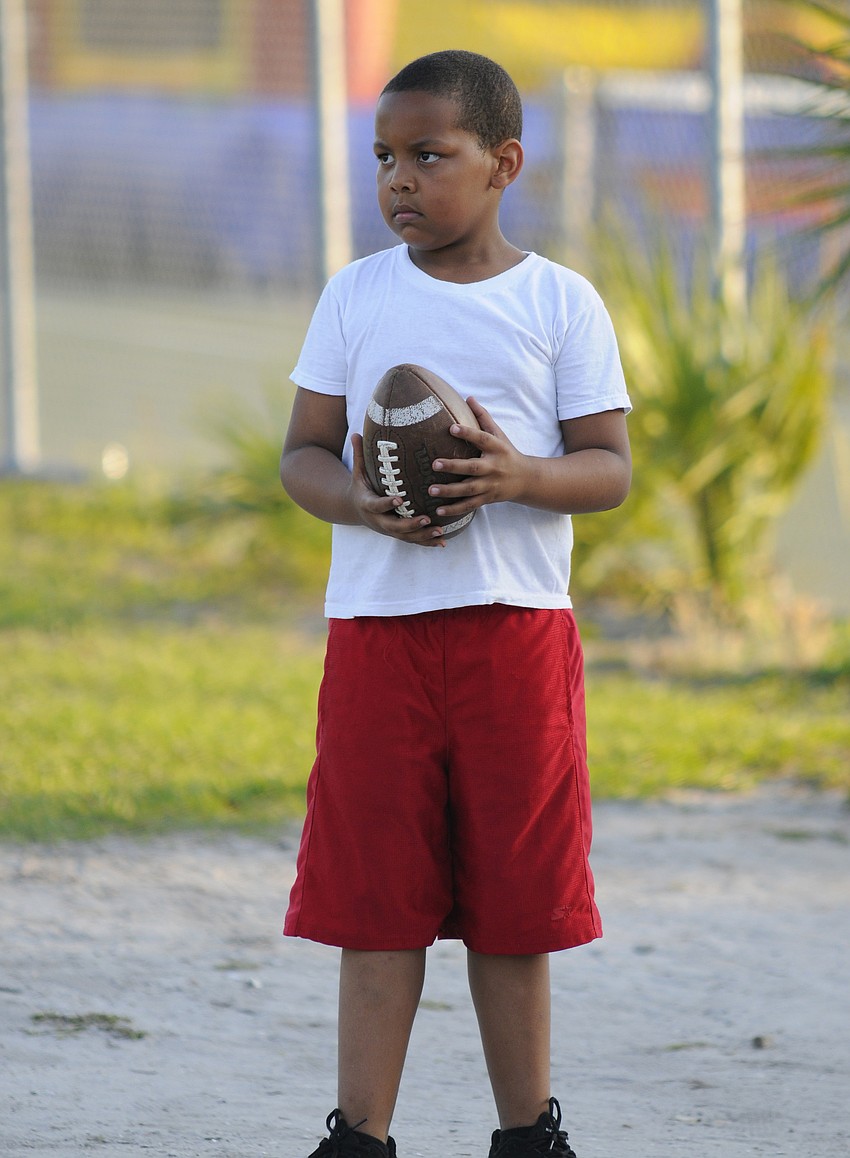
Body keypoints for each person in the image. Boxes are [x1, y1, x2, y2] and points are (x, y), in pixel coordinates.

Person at [280, 48, 632, 1158]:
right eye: (384, 155)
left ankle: (528, 1132)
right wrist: (359, 505)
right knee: (373, 897)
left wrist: (517, 475)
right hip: (380, 642)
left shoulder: (557, 302)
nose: (399, 178)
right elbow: (301, 455)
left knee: (514, 901)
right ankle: (358, 1135)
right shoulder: (356, 294)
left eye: (429, 155)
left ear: (502, 164)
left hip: (513, 638)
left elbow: (608, 468)